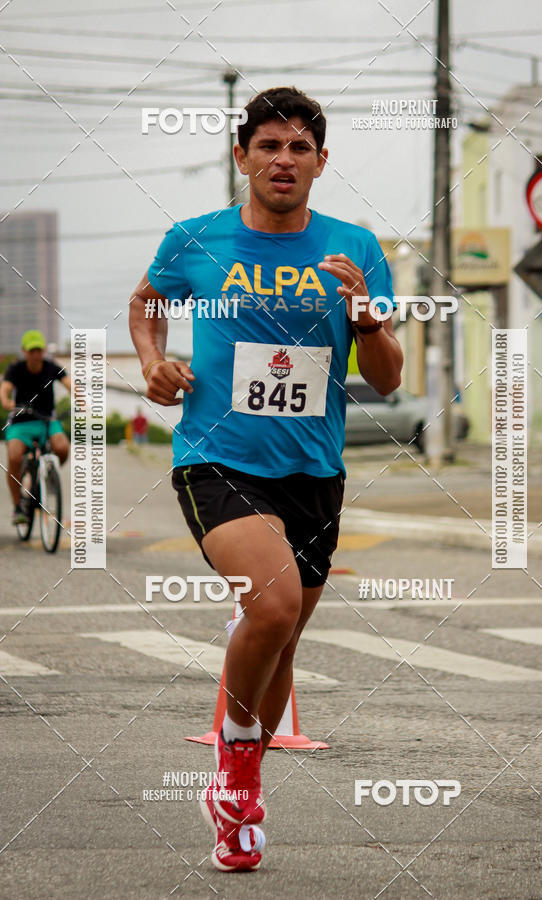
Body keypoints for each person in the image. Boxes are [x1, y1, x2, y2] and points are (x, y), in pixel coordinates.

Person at [129, 86, 403, 872]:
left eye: (300, 148)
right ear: (241, 155)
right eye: (269, 146)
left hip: (314, 471)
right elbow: (147, 304)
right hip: (216, 459)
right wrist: (153, 363)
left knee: (282, 640)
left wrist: (369, 320)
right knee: (275, 601)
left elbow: (386, 379)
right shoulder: (197, 240)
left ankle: (240, 772)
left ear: (321, 163)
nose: (284, 160)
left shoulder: (354, 249)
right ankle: (237, 786)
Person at [1, 330, 71, 525]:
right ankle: (18, 507)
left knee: (63, 448)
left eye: (38, 350)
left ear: (43, 351)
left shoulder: (51, 368)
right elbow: (5, 387)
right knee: (14, 457)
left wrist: (81, 398)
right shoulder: (15, 369)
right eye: (32, 350)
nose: (35, 354)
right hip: (21, 422)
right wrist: (5, 400)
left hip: (47, 421)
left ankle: (47, 477)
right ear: (24, 351)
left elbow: (68, 383)